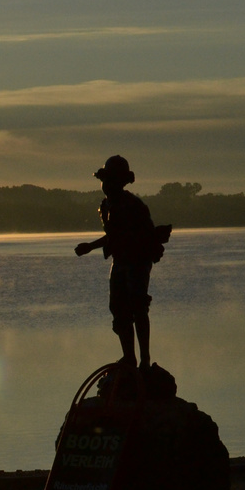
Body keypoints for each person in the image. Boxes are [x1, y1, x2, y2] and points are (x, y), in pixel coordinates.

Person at [74, 155, 166, 369]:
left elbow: (119, 236)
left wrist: (90, 246)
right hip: (120, 259)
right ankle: (129, 358)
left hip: (137, 260)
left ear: (121, 182)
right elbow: (113, 236)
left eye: (111, 181)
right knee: (118, 308)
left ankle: (144, 360)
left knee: (138, 306)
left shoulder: (132, 205)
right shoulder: (105, 205)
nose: (106, 185)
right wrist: (91, 246)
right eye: (104, 180)